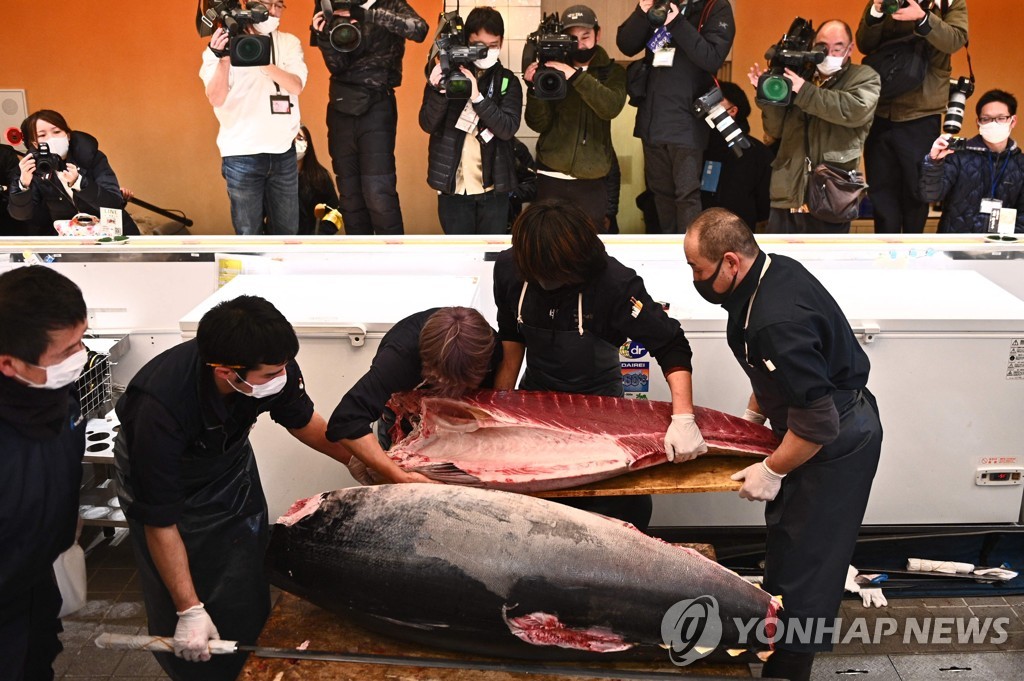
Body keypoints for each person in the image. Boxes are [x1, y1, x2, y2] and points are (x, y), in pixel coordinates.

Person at [113, 295, 357, 681]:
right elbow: (159, 521)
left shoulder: (271, 363)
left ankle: (248, 659)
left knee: (244, 577)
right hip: (169, 481)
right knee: (186, 600)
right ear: (227, 372)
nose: (281, 379)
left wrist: (356, 460)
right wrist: (188, 609)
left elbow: (302, 419)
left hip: (229, 465)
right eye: (269, 375)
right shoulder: (158, 408)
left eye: (283, 369)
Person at [683, 208, 882, 681]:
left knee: (809, 566)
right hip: (810, 420)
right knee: (788, 545)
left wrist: (771, 469)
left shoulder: (775, 320)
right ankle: (775, 638)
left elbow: (817, 423)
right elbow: (774, 370)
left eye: (698, 269)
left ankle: (789, 668)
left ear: (731, 262)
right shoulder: (772, 272)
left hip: (835, 439)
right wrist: (753, 416)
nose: (693, 277)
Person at [492, 200, 708, 532]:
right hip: (535, 402)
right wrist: (500, 408)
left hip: (601, 406)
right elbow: (511, 339)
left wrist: (683, 418)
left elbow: (671, 344)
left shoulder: (613, 283)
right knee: (536, 514)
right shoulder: (509, 270)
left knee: (619, 510)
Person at [0, 266, 88, 681]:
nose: (81, 356)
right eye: (67, 350)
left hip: (37, 581)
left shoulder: (57, 397)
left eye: (82, 339)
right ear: (8, 363)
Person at [327, 306, 504, 481]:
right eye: (445, 382)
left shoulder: (487, 348)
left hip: (460, 416)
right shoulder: (399, 358)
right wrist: (400, 476)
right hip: (405, 415)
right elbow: (346, 420)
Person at [748, 20, 880, 234]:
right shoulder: (798, 76)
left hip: (831, 193)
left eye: (837, 47)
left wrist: (804, 90)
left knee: (825, 264)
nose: (829, 53)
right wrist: (769, 96)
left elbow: (853, 110)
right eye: (822, 47)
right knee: (781, 263)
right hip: (788, 190)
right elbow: (775, 130)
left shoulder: (864, 77)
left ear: (850, 49)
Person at [616, 0, 735, 234]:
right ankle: (669, 251)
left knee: (687, 195)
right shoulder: (658, 4)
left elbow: (712, 58)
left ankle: (691, 257)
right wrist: (643, 10)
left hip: (687, 121)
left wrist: (677, 21)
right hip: (653, 119)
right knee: (659, 193)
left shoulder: (715, 6)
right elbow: (626, 45)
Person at [313, 0, 428, 235]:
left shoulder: (389, 3)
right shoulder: (329, 5)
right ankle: (359, 261)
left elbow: (419, 29)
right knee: (350, 195)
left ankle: (393, 262)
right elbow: (337, 65)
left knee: (378, 191)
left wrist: (366, 15)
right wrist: (323, 35)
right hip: (341, 105)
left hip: (377, 103)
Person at [857, 0, 968, 234]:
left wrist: (922, 17)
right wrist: (877, 10)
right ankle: (886, 255)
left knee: (916, 193)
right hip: (882, 106)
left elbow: (955, 40)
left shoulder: (949, 3)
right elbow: (864, 43)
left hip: (921, 112)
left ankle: (913, 253)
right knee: (880, 192)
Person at [200, 0, 306, 236]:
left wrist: (263, 60)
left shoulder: (288, 42)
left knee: (288, 232)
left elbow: (296, 86)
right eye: (267, 4)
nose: (273, 11)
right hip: (241, 155)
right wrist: (225, 60)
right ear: (249, 4)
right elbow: (216, 98)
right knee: (249, 235)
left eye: (279, 6)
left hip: (283, 152)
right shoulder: (220, 46)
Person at [419, 7, 522, 235]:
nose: (486, 52)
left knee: (489, 258)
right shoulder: (446, 75)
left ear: (501, 42)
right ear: (467, 41)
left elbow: (507, 129)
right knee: (459, 257)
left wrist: (477, 97)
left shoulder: (508, 81)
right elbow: (427, 124)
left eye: (493, 46)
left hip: (493, 189)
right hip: (453, 188)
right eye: (479, 46)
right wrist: (438, 91)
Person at [524, 5, 626, 233]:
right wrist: (534, 89)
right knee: (549, 246)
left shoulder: (613, 72)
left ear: (598, 35)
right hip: (551, 177)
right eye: (572, 38)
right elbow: (537, 124)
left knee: (588, 249)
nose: (579, 44)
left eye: (585, 36)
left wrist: (576, 77)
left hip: (592, 182)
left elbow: (610, 107)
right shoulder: (552, 71)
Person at [8, 110, 140, 237]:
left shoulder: (91, 156)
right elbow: (21, 215)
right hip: (70, 240)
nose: (51, 138)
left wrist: (80, 184)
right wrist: (23, 186)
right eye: (42, 135)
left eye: (57, 131)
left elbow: (113, 203)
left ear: (68, 135)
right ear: (35, 144)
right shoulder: (31, 167)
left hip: (112, 235)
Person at [920, 89, 1024, 233]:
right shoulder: (958, 156)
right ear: (978, 123)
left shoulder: (1020, 164)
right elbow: (930, 195)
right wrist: (933, 161)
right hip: (956, 244)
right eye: (986, 119)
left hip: (1001, 247)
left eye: (1001, 118)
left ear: (1013, 121)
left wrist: (1007, 244)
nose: (993, 123)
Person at [700, 81, 774, 231]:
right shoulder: (697, 147)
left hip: (740, 233)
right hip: (699, 229)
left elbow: (764, 203)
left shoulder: (757, 152)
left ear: (733, 111)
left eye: (715, 104)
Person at [295, 125, 341, 235]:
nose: (295, 143)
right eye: (291, 139)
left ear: (308, 143)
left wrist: (319, 235)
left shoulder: (320, 176)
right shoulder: (273, 179)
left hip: (314, 242)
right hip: (281, 244)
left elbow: (335, 212)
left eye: (300, 138)